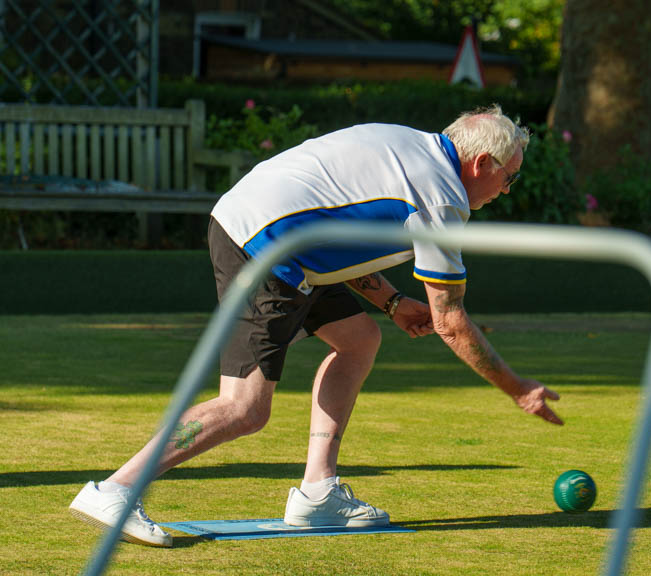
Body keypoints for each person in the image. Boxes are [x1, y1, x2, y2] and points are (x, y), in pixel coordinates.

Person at [69, 105, 563, 547]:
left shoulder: (411, 146)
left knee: (359, 339)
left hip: (278, 236)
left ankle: (317, 492)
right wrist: (517, 388)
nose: (506, 189)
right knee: (244, 408)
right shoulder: (441, 197)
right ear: (482, 164)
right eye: (509, 178)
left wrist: (390, 303)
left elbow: (336, 231)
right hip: (263, 244)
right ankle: (115, 490)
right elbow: (450, 322)